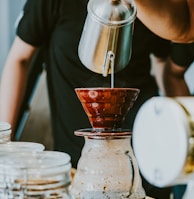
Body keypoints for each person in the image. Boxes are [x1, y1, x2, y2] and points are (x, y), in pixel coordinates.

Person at [0, 0, 172, 198]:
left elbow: (164, 68)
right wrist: (4, 142)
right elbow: (20, 59)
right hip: (78, 169)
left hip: (144, 166)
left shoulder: (152, 4)